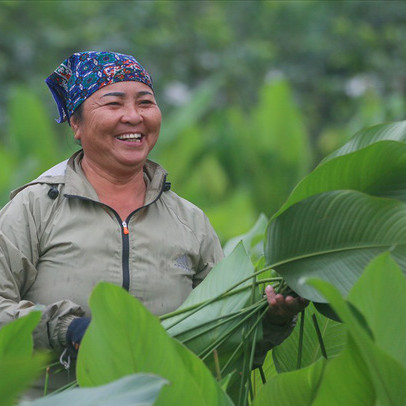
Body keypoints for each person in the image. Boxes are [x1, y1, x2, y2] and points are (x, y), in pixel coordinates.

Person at [0, 51, 307, 395]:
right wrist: (66, 330)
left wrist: (274, 320)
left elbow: (225, 343)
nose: (133, 117)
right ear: (76, 124)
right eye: (113, 104)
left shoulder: (189, 220)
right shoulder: (36, 208)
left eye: (145, 102)